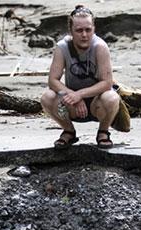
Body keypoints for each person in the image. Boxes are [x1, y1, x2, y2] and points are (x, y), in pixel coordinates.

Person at [40, 5, 121, 150]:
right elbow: (53, 80)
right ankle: (69, 131)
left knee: (112, 97)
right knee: (47, 97)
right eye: (79, 30)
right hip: (71, 104)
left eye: (88, 30)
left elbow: (107, 83)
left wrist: (80, 95)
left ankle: (103, 132)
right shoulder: (62, 47)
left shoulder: (100, 47)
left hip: (98, 102)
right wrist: (73, 96)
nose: (84, 35)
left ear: (94, 28)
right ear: (71, 30)